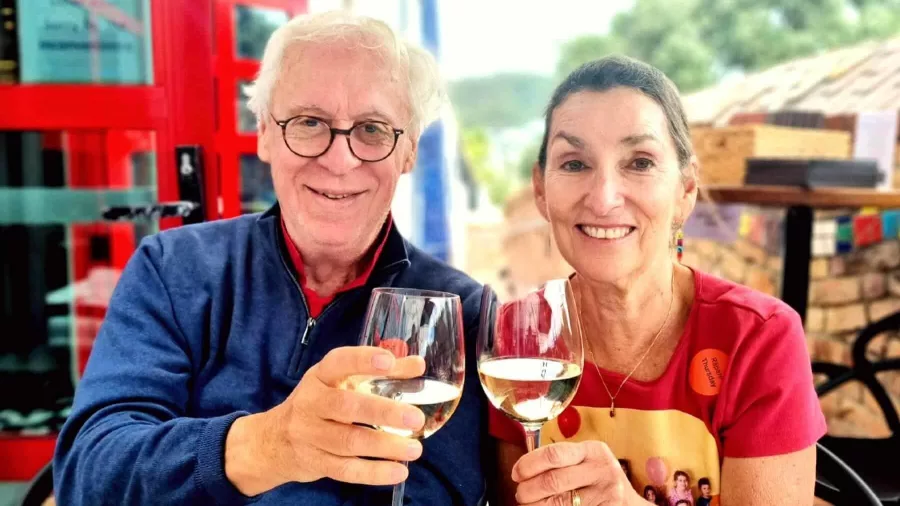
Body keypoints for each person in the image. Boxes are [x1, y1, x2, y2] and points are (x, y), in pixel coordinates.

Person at [52, 11, 490, 505]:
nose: (340, 160)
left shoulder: (460, 310)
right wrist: (272, 444)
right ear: (263, 133)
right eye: (308, 122)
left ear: (407, 150)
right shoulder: (172, 268)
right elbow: (90, 473)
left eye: (372, 129)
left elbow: (441, 495)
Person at [488, 55, 825, 505]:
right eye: (574, 164)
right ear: (541, 191)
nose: (604, 199)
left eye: (640, 162)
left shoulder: (757, 337)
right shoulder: (519, 338)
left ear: (685, 191)